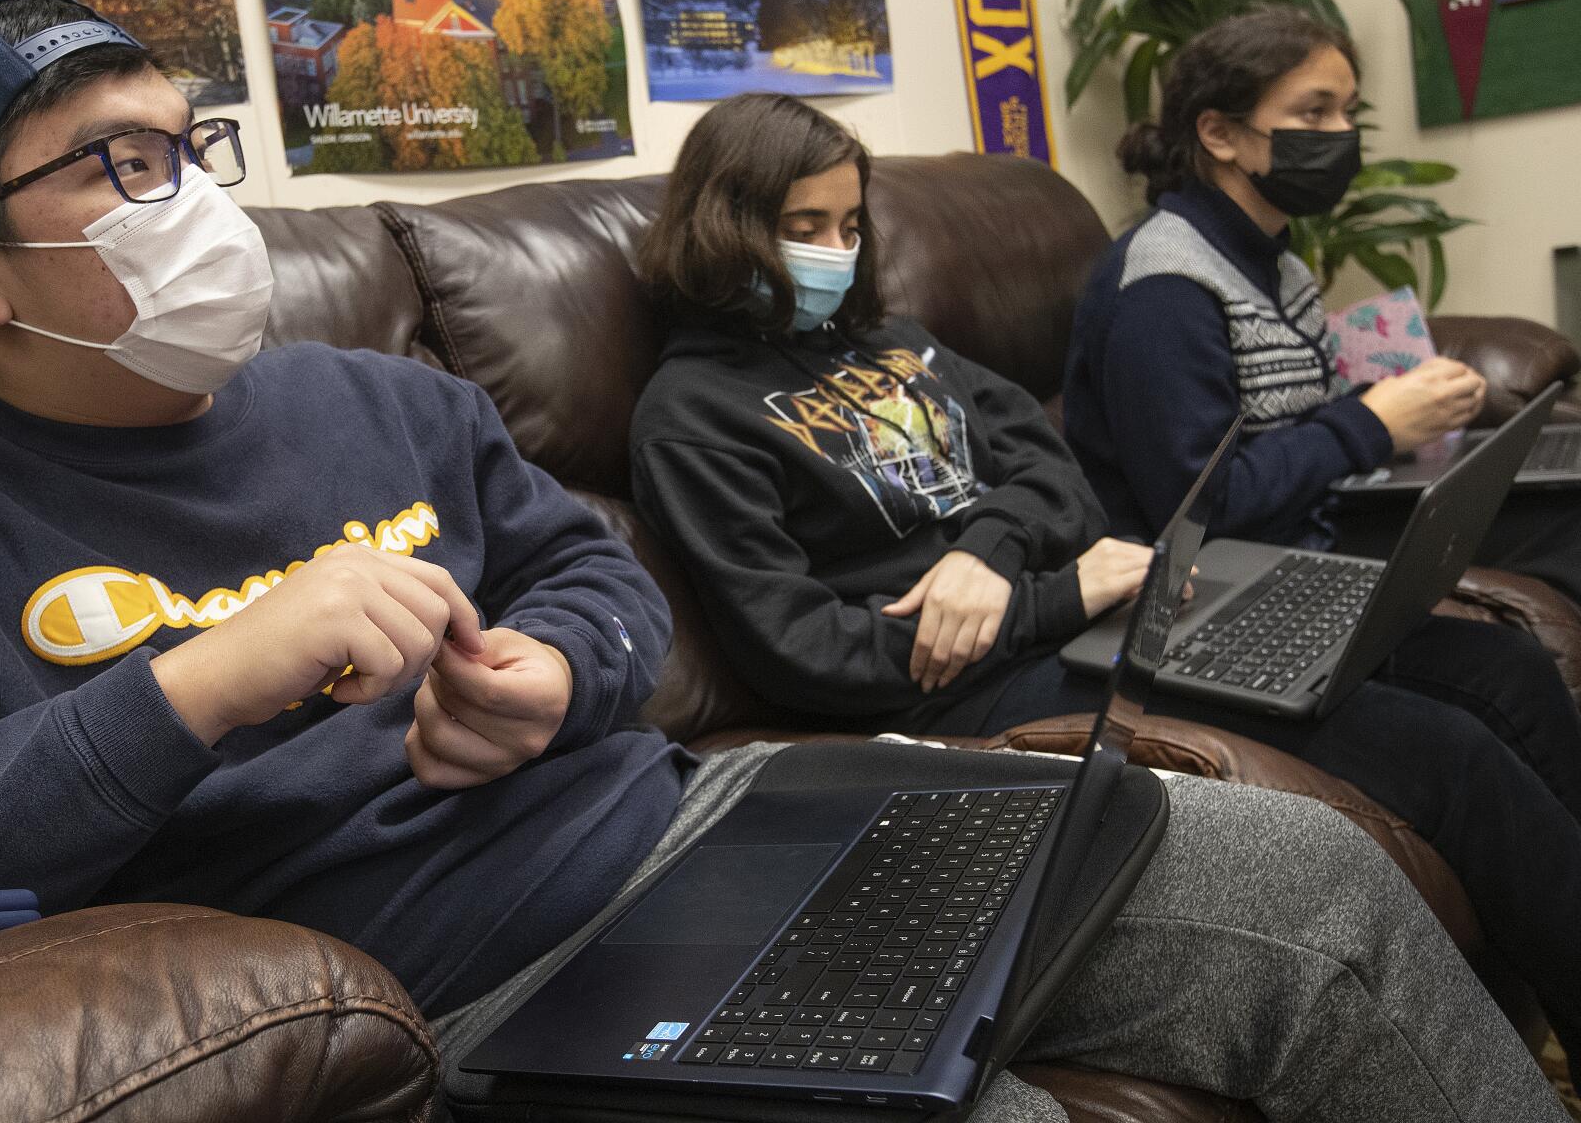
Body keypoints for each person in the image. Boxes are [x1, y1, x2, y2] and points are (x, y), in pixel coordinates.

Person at [0, 0, 1562, 1121]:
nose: (192, 201)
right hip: (471, 992)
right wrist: (184, 690)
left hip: (723, 821)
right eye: (115, 168)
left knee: (1306, 875)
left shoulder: (373, 404)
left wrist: (560, 670)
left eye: (186, 141)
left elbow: (603, 588)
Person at [628, 90, 1581, 1060]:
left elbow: (1053, 474)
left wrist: (980, 551)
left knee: (1488, 665)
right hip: (977, 685)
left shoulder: (896, 345)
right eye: (803, 228)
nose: (835, 248)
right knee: (1441, 749)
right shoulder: (689, 415)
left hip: (1087, 601)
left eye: (847, 222)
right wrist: (1049, 594)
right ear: (728, 226)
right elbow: (804, 654)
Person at [1063, 4, 1581, 604]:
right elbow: (1203, 512)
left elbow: (1290, 429)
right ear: (1220, 134)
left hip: (1316, 519)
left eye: (1348, 111)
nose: (1342, 133)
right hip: (1237, 575)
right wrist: (1373, 423)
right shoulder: (1163, 288)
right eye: (1315, 111)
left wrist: (1403, 408)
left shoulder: (1278, 264)